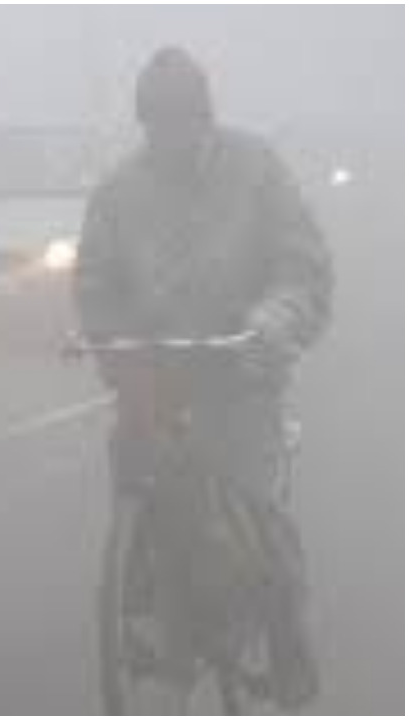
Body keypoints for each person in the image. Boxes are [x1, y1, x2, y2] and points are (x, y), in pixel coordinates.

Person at [73, 47, 333, 709]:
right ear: (143, 123)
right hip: (157, 377)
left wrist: (273, 319)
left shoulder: (257, 171)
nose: (171, 133)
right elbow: (95, 284)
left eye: (182, 118)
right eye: (157, 121)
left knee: (258, 510)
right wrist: (110, 342)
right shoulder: (118, 193)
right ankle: (145, 604)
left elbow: (303, 266)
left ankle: (289, 647)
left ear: (205, 115)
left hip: (241, 371)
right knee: (137, 475)